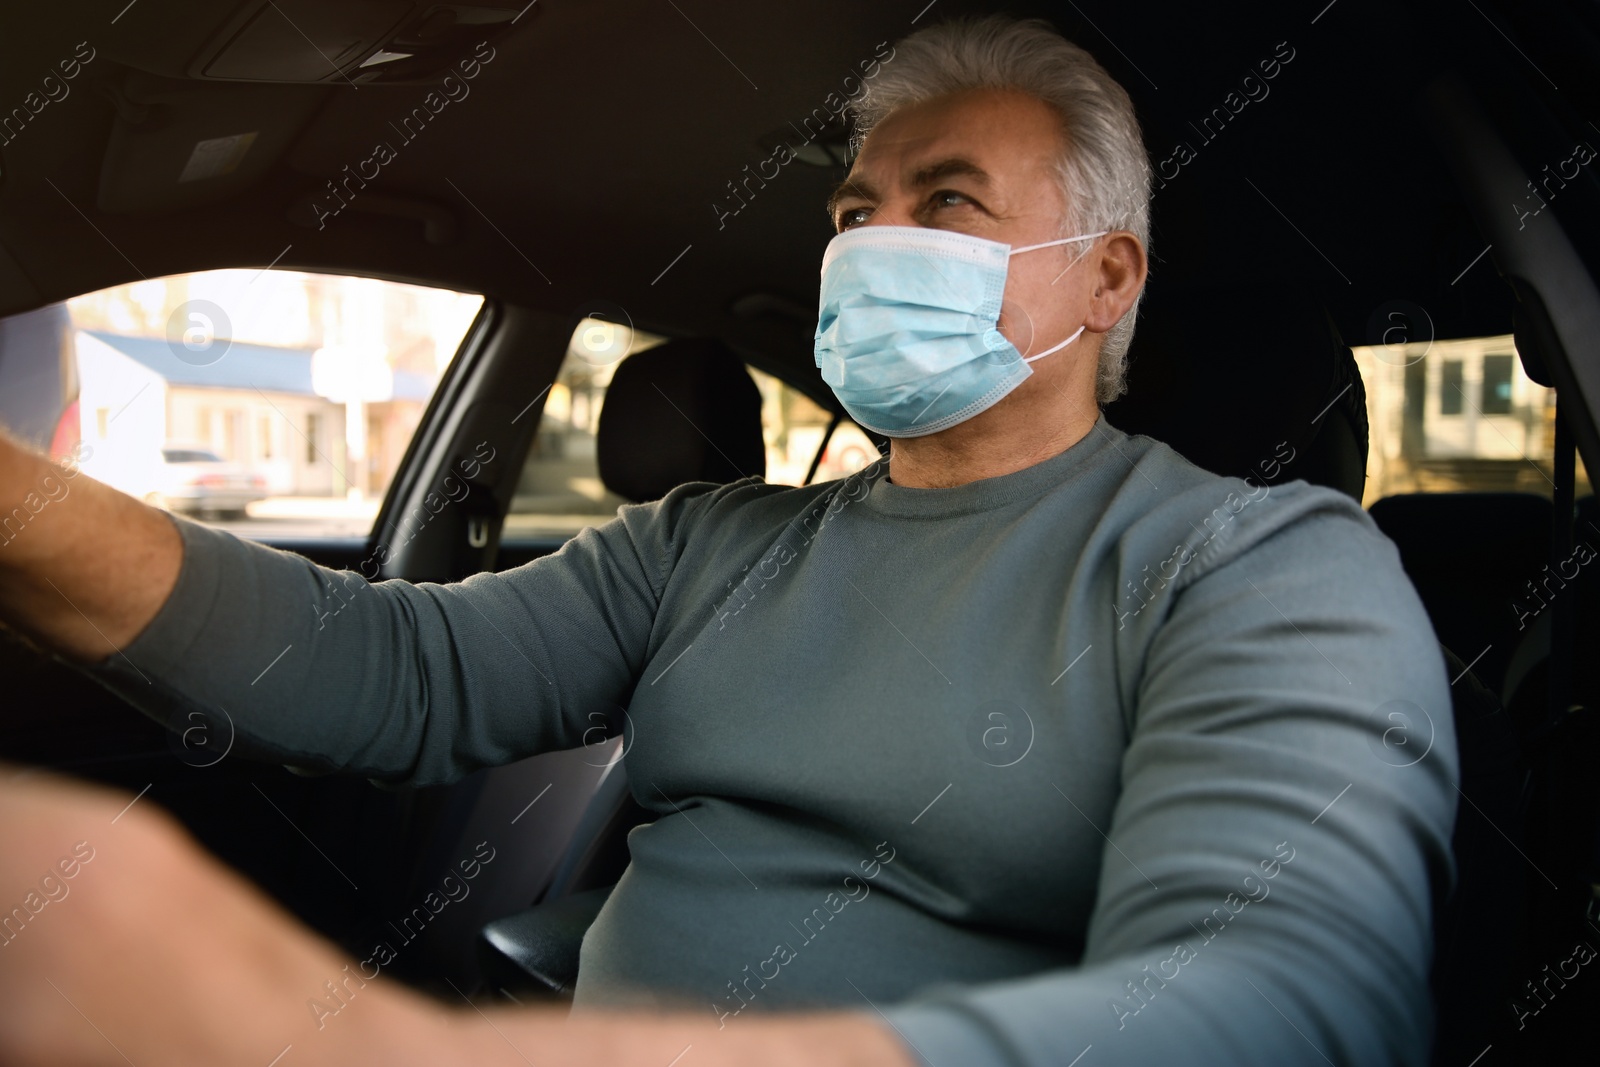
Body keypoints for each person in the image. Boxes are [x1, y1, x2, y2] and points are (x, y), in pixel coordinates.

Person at [0, 14, 1456, 1067]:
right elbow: (380, 668)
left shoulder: (1259, 569)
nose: (868, 243)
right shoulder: (704, 547)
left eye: (944, 202)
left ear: (1105, 276)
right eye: (851, 210)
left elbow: (1284, 1004)